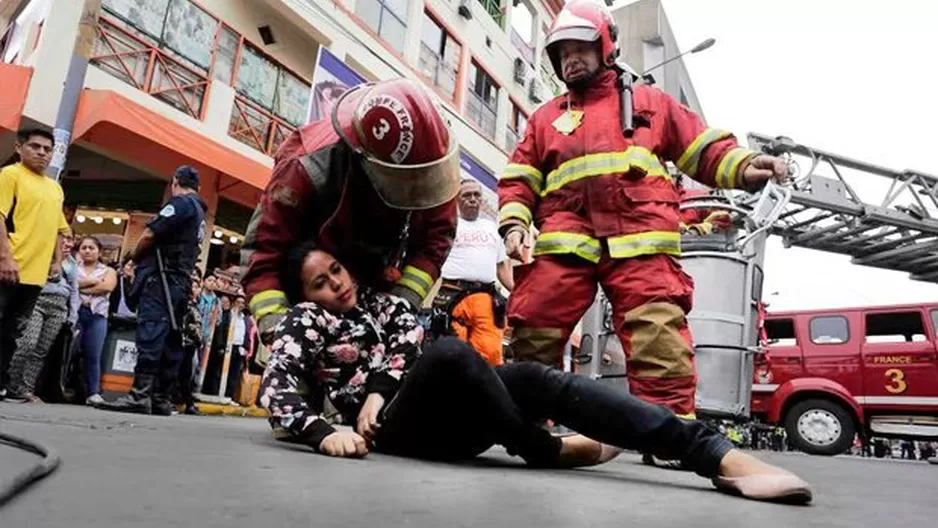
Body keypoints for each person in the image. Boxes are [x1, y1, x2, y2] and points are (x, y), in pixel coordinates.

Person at [258, 243, 813, 504]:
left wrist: (379, 388)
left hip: (459, 422)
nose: (336, 284)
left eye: (336, 269)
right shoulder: (304, 321)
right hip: (396, 433)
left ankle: (712, 453)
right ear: (305, 295)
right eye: (321, 282)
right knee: (451, 354)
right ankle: (544, 448)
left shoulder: (385, 305)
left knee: (530, 377)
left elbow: (405, 341)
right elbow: (277, 388)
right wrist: (327, 431)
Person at [497, 1, 789, 430]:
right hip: (565, 243)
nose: (570, 59)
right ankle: (525, 423)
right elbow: (520, 176)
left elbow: (703, 149)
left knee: (658, 336)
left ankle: (671, 434)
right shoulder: (546, 119)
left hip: (642, 244)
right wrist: (514, 223)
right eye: (562, 53)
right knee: (533, 323)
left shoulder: (652, 104)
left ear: (606, 47)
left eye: (580, 48)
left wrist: (743, 167)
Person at [240, 78, 459, 348]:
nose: (417, 190)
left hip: (376, 295)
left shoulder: (429, 165)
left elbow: (438, 237)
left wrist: (400, 304)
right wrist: (282, 329)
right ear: (365, 159)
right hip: (313, 299)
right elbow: (263, 252)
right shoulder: (307, 167)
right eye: (407, 183)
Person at [97, 166, 207, 415]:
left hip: (162, 280)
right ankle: (159, 397)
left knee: (151, 334)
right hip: (179, 281)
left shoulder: (180, 204)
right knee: (171, 339)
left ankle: (139, 396)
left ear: (174, 182)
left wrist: (134, 259)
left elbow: (148, 234)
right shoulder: (200, 210)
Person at [0, 128, 71, 400]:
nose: (42, 152)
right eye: (35, 146)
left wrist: (57, 262)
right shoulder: (10, 175)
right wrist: (4, 257)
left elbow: (57, 228)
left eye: (47, 149)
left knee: (12, 334)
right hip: (8, 266)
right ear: (19, 148)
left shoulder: (55, 188)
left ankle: (2, 384)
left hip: (34, 275)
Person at [432, 179, 514, 365]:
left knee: (491, 355)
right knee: (452, 356)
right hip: (453, 294)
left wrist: (517, 292)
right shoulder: (448, 226)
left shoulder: (492, 228)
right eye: (466, 195)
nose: (472, 199)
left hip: (485, 298)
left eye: (477, 195)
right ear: (457, 200)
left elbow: (501, 267)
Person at [6, 233, 80, 402]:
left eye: (70, 240)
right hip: (38, 302)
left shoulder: (73, 264)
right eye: (64, 239)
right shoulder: (42, 256)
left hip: (59, 308)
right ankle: (10, 385)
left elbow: (75, 291)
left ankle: (26, 389)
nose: (67, 243)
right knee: (27, 344)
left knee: (41, 351)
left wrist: (73, 314)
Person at [75, 236, 118, 404]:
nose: (87, 251)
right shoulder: (72, 268)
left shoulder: (109, 271)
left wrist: (81, 286)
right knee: (69, 353)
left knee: (93, 355)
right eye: (83, 248)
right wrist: (92, 282)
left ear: (99, 251)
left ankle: (93, 392)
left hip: (97, 317)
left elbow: (107, 287)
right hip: (75, 314)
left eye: (91, 248)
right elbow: (69, 284)